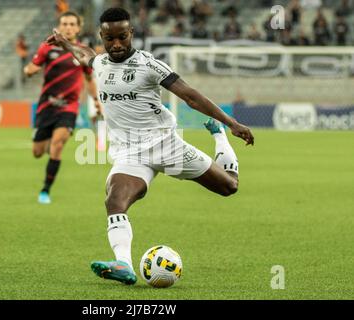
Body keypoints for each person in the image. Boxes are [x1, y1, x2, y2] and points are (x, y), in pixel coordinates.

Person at [47, 7, 254, 285]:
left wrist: (231, 124)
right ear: (102, 37)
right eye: (110, 39)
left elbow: (191, 96)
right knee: (114, 200)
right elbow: (85, 55)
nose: (117, 44)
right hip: (130, 153)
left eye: (122, 37)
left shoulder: (150, 66)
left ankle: (218, 138)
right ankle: (123, 265)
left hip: (166, 146)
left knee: (229, 186)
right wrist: (65, 42)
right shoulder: (101, 64)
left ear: (131, 33)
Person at [24, 11, 102, 204]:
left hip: (69, 107)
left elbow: (88, 79)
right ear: (59, 27)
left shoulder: (82, 51)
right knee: (37, 152)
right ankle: (50, 140)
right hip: (46, 105)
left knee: (58, 145)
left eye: (71, 24)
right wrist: (28, 70)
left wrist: (95, 100)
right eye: (64, 24)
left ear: (78, 28)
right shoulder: (46, 48)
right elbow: (32, 67)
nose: (68, 27)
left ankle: (45, 191)